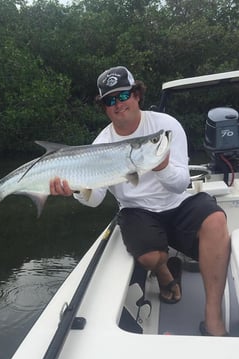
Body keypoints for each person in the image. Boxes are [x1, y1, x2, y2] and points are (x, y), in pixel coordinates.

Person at [50, 66, 231, 337]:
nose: (118, 104)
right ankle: (164, 271)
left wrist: (161, 166)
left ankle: (213, 318)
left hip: (177, 202)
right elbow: (96, 198)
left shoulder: (166, 127)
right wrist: (75, 190)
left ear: (136, 95)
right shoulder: (101, 143)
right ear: (104, 108)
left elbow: (180, 182)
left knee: (216, 220)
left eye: (123, 95)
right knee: (150, 257)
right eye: (109, 101)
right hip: (137, 211)